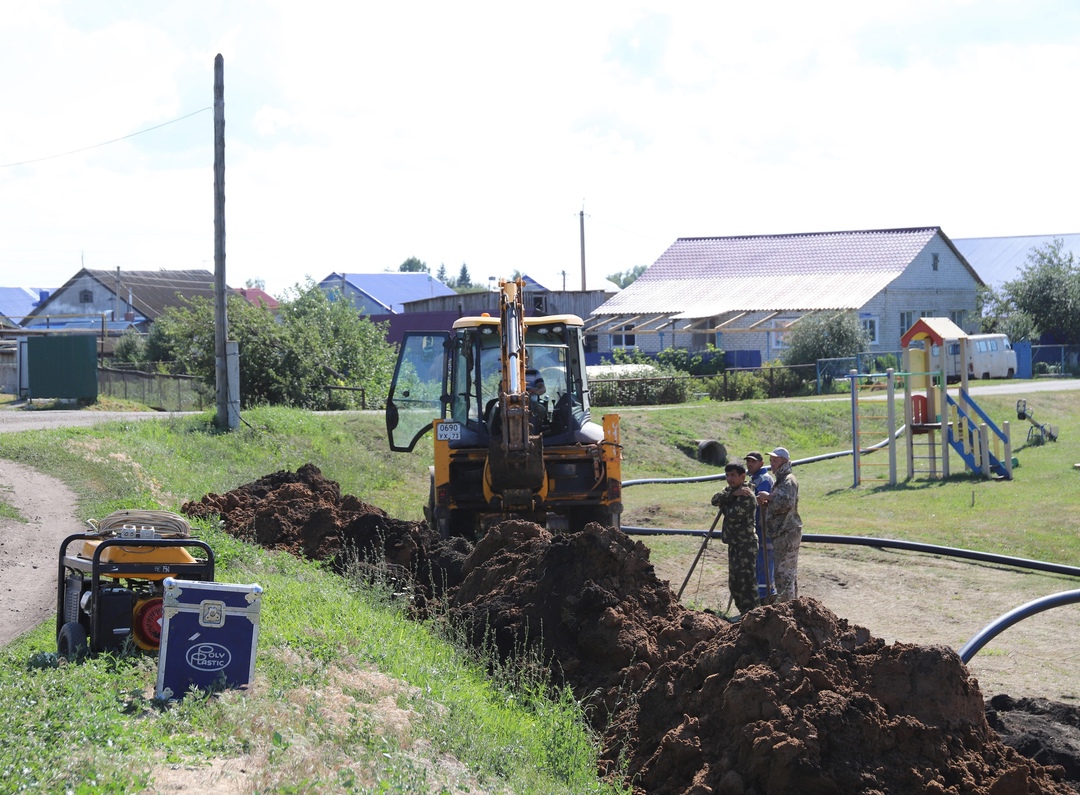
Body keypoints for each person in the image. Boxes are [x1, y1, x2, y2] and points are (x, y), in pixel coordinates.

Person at [710, 462, 759, 616]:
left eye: (733, 475)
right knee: (735, 583)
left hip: (746, 545)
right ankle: (744, 614)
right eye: (727, 475)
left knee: (747, 583)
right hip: (734, 543)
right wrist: (731, 495)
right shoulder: (732, 491)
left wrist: (727, 501)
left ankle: (754, 614)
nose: (729, 479)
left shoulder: (747, 496)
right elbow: (714, 500)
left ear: (742, 477)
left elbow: (732, 515)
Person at [756, 447, 802, 601]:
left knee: (784, 575)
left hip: (786, 532)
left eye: (775, 461)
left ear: (784, 462)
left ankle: (787, 611)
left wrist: (768, 498)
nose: (772, 464)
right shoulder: (782, 480)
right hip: (782, 532)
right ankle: (791, 608)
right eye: (771, 461)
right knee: (785, 574)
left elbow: (784, 503)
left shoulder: (788, 480)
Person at [745, 451, 775, 602]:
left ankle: (766, 596)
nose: (750, 464)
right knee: (759, 563)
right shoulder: (753, 479)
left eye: (753, 462)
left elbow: (761, 503)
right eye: (748, 462)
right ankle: (762, 594)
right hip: (756, 527)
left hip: (764, 527)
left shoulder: (764, 480)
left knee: (765, 562)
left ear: (761, 464)